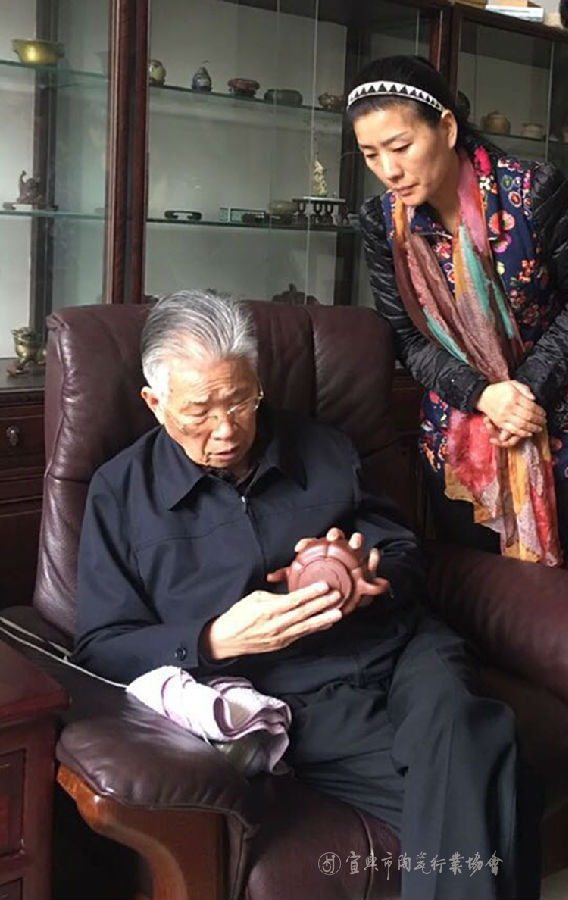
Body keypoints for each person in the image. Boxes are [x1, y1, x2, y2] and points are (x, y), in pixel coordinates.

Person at [73, 290, 541, 900]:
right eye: (199, 411)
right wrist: (213, 640)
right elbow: (100, 648)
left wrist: (373, 573)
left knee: (468, 728)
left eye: (241, 400)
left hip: (403, 648)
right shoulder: (120, 494)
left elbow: (402, 549)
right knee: (489, 792)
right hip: (298, 693)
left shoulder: (324, 447)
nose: (226, 428)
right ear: (154, 403)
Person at [348, 55, 568, 565]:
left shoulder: (533, 193)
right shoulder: (383, 223)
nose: (389, 171)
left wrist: (524, 393)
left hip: (552, 421)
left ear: (446, 128)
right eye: (370, 155)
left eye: (401, 147)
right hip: (459, 436)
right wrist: (483, 395)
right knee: (472, 584)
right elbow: (404, 335)